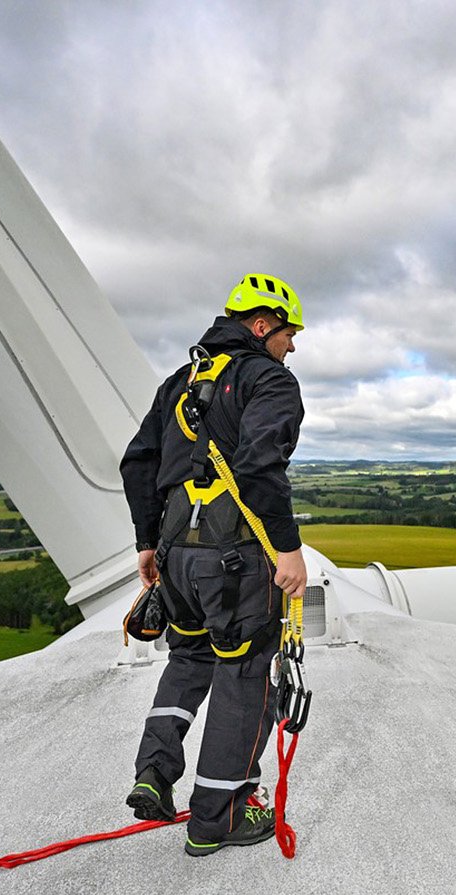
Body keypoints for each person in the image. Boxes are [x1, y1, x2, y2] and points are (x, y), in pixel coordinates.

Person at [119, 273, 308, 857]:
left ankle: (154, 772)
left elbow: (138, 463)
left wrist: (147, 543)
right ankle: (218, 816)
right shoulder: (268, 379)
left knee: (191, 656)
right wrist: (288, 548)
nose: (292, 346)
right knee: (245, 673)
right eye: (288, 333)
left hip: (176, 557)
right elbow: (257, 466)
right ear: (260, 325)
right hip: (233, 561)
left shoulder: (180, 382)